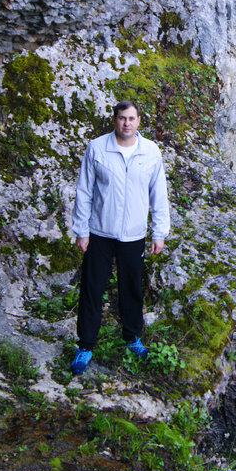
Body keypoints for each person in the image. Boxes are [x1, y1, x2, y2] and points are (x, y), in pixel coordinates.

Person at [69, 100, 170, 375]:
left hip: (134, 234)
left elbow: (158, 194)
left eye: (132, 118)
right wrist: (81, 230)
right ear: (114, 120)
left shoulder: (150, 152)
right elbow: (84, 191)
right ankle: (85, 346)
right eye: (122, 118)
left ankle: (132, 338)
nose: (127, 123)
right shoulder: (97, 149)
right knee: (92, 288)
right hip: (100, 232)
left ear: (139, 121)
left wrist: (159, 232)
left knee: (131, 288)